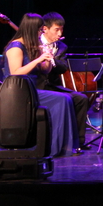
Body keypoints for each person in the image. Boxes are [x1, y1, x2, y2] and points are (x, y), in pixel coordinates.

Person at [4, 13, 78, 156]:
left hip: (30, 90)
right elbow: (15, 73)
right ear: (32, 30)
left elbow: (44, 71)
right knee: (63, 99)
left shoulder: (30, 46)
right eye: (39, 30)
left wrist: (48, 59)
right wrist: (37, 60)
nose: (40, 34)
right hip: (18, 92)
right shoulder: (16, 47)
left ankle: (65, 146)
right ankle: (53, 148)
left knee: (68, 98)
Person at [38, 12, 91, 149]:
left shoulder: (61, 47)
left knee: (81, 99)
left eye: (61, 30)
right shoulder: (34, 43)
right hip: (37, 86)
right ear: (45, 29)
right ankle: (58, 142)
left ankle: (78, 142)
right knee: (64, 99)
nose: (60, 34)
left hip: (52, 86)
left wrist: (52, 60)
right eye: (56, 30)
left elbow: (63, 68)